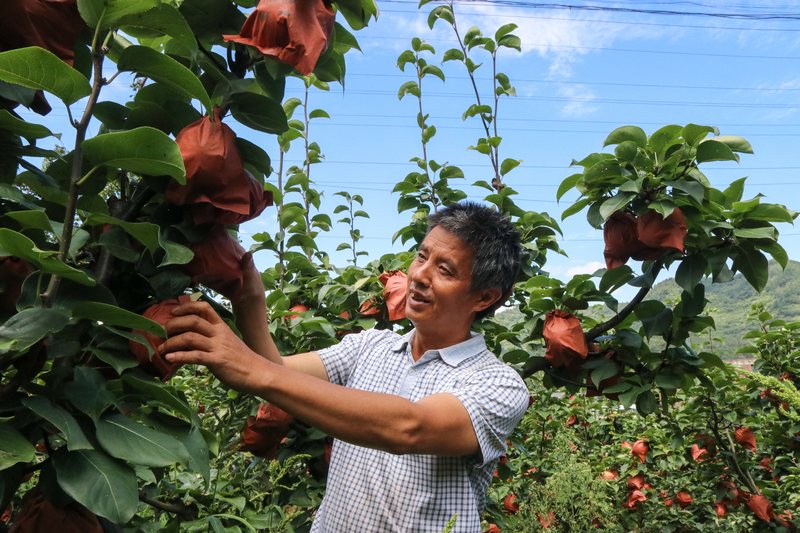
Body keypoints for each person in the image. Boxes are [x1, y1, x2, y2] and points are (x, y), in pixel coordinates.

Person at [160, 201, 530, 532]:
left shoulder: (498, 384)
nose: (419, 275)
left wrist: (253, 370)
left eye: (445, 270)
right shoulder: (371, 345)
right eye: (421, 256)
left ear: (484, 297)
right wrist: (248, 292)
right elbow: (276, 371)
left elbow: (409, 428)